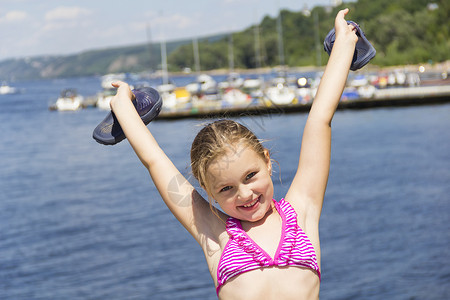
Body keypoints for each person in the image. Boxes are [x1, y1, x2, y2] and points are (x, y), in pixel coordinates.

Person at [107, 8, 358, 299]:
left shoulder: (302, 211)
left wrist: (344, 43)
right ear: (208, 191)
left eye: (250, 176)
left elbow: (320, 119)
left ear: (267, 160)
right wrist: (125, 108)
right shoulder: (215, 232)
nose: (245, 194)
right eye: (226, 188)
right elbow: (155, 161)